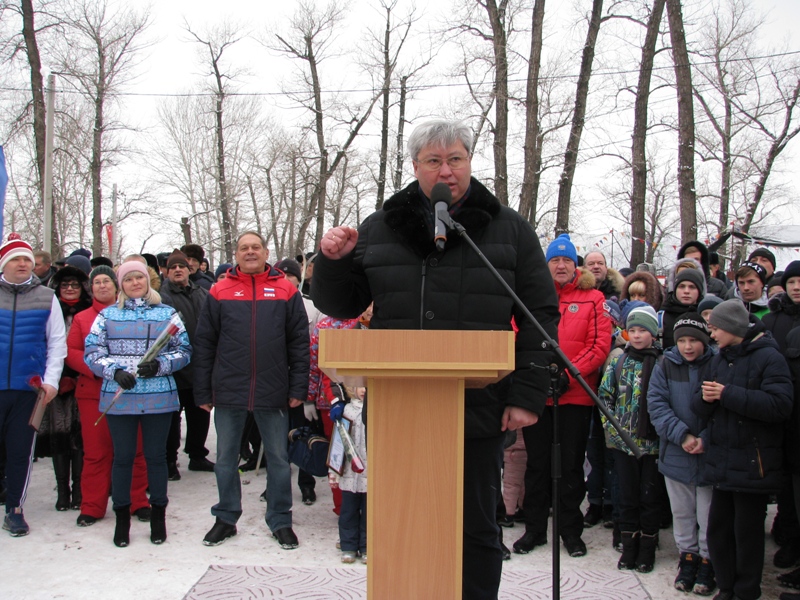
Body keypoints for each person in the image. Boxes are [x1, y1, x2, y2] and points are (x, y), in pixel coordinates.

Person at [310, 119, 560, 599]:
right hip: (401, 408)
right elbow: (342, 305)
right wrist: (333, 263)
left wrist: (528, 394)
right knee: (403, 521)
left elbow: (539, 315)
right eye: (433, 161)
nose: (446, 170)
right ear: (415, 167)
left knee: (474, 527)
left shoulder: (508, 228)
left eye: (455, 159)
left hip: (479, 408)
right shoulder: (381, 227)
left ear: (469, 162)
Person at [194, 231, 309, 550]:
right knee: (226, 458)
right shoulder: (219, 290)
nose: (250, 252)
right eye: (244, 248)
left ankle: (280, 519)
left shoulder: (286, 289)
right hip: (229, 389)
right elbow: (204, 343)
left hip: (273, 389)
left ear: (265, 252)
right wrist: (202, 391)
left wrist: (298, 384)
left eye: (255, 247)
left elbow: (299, 343)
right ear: (237, 253)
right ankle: (226, 517)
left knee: (278, 458)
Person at [516, 234, 612, 558]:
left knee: (570, 466)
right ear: (546, 265)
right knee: (537, 465)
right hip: (538, 395)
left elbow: (598, 345)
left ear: (575, 266)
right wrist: (539, 376)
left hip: (575, 396)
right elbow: (519, 337)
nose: (560, 265)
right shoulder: (532, 298)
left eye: (566, 260)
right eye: (555, 260)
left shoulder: (593, 298)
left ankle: (571, 532)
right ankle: (534, 530)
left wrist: (570, 374)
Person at [84, 261, 191, 547]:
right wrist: (113, 371)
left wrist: (160, 365)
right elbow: (92, 351)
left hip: (159, 397)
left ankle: (158, 516)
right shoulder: (107, 316)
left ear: (148, 281)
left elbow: (184, 351)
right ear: (121, 284)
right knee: (123, 457)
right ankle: (121, 519)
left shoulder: (167, 314)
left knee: (156, 458)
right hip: (120, 399)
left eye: (139, 278)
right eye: (128, 279)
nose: (134, 283)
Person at [692, 299, 792, 600]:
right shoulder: (719, 358)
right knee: (718, 532)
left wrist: (727, 394)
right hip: (722, 458)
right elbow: (699, 406)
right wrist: (706, 400)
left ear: (733, 329)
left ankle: (747, 592)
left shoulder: (770, 358)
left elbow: (780, 405)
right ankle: (726, 587)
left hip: (753, 461)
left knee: (747, 535)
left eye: (716, 328)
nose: (712, 335)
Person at [66, 265, 151, 527]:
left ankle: (138, 501)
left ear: (116, 286)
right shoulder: (82, 318)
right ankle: (92, 505)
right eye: (96, 283)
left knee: (135, 450)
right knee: (97, 452)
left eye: (107, 281)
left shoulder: (132, 314)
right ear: (91, 289)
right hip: (94, 392)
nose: (102, 286)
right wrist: (101, 370)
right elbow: (72, 351)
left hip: (130, 392)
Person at [0, 236, 67, 537]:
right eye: (16, 259)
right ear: (5, 264)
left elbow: (56, 342)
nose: (23, 264)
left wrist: (51, 381)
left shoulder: (46, 296)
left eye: (27, 259)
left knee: (20, 450)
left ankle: (14, 508)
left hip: (28, 389)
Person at [648, 314, 716, 594]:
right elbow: (657, 405)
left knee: (708, 514)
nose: (688, 347)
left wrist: (705, 439)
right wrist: (682, 435)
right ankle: (687, 557)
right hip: (676, 452)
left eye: (694, 341)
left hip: (710, 453)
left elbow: (723, 410)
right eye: (683, 341)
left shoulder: (717, 364)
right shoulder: (665, 364)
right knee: (682, 512)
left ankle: (708, 560)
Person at [598, 305, 663, 573]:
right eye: (632, 330)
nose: (636, 336)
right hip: (622, 443)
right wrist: (612, 429)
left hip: (653, 446)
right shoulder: (618, 361)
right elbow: (604, 396)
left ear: (654, 334)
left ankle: (647, 549)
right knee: (626, 496)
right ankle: (628, 546)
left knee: (649, 496)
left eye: (643, 330)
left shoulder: (662, 363)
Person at [38, 263, 92, 511]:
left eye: (74, 285)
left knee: (79, 439)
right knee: (59, 438)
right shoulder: (48, 311)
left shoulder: (89, 312)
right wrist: (55, 379)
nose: (69, 289)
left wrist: (74, 374)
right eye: (64, 285)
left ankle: (80, 489)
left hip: (82, 381)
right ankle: (63, 491)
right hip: (54, 384)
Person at [158, 250, 214, 478]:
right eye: (173, 268)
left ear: (189, 269)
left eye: (181, 266)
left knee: (200, 413)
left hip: (200, 365)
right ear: (167, 272)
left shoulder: (203, 293)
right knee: (171, 418)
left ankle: (197, 455)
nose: (178, 270)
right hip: (173, 369)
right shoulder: (160, 297)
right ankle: (169, 460)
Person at [331, 385, 368, 564]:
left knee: (369, 511)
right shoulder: (345, 410)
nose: (364, 390)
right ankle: (348, 545)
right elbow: (338, 441)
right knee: (348, 511)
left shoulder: (378, 408)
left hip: (370, 471)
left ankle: (368, 545)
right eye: (360, 386)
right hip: (349, 472)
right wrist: (334, 470)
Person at [660, 262, 706, 349]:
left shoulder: (706, 314)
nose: (686, 291)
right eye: (681, 286)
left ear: (699, 291)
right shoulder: (661, 316)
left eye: (692, 287)